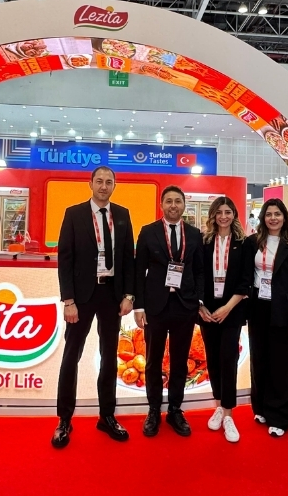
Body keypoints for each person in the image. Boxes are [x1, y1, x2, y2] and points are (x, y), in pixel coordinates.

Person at [51, 166, 136, 449]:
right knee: (71, 356)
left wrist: (129, 295)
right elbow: (65, 259)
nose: (103, 186)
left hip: (111, 295)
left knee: (109, 357)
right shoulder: (74, 214)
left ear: (114, 185)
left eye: (109, 182)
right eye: (99, 181)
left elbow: (128, 259)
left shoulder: (122, 215)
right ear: (90, 183)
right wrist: (68, 301)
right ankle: (64, 419)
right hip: (81, 297)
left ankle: (107, 416)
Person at [134, 185, 205, 438]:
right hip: (155, 306)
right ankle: (154, 409)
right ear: (162, 205)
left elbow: (200, 270)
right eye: (169, 201)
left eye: (178, 201)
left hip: (185, 306)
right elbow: (138, 271)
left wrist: (197, 299)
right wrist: (139, 306)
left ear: (184, 205)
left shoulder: (194, 234)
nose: (173, 205)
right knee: (153, 360)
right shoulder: (148, 232)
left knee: (179, 359)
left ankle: (175, 409)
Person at [240, 198, 288, 437]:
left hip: (283, 309)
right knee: (260, 359)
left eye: (277, 214)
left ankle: (280, 416)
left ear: (284, 217)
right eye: (269, 214)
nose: (273, 218)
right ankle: (261, 407)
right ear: (263, 218)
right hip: (258, 307)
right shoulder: (252, 242)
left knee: (282, 363)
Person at [199, 197, 250, 443]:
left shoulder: (243, 243)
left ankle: (229, 413)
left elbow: (246, 279)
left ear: (234, 215)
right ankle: (219, 405)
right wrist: (200, 305)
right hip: (207, 311)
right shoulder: (204, 242)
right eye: (219, 212)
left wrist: (228, 308)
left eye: (228, 212)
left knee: (228, 359)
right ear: (213, 215)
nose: (223, 216)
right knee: (212, 359)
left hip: (232, 309)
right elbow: (197, 275)